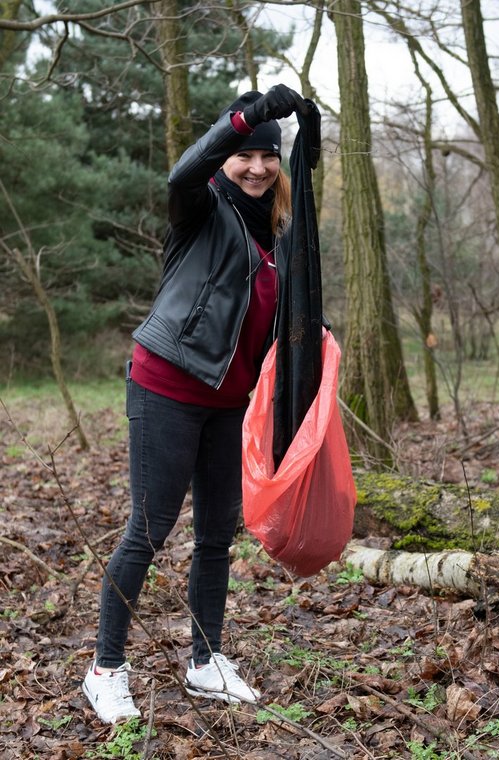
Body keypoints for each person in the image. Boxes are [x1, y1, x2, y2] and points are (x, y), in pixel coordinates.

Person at [82, 85, 305, 724]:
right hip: (168, 388)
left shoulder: (283, 233)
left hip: (231, 404)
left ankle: (206, 661)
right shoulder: (200, 208)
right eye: (244, 155)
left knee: (215, 536)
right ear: (228, 156)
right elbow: (185, 169)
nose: (257, 167)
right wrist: (242, 121)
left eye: (268, 157)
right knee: (149, 531)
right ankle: (106, 669)